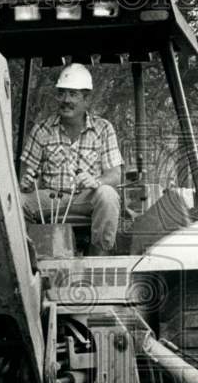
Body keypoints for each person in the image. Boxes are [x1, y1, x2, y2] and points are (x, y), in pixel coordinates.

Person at [19, 63, 122, 253]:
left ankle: (98, 256)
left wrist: (96, 181)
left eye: (73, 94)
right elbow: (25, 175)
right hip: (51, 198)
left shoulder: (103, 129)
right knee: (18, 200)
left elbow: (115, 175)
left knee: (108, 195)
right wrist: (27, 181)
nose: (65, 100)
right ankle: (26, 256)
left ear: (87, 99)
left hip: (86, 198)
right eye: (62, 93)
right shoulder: (42, 129)